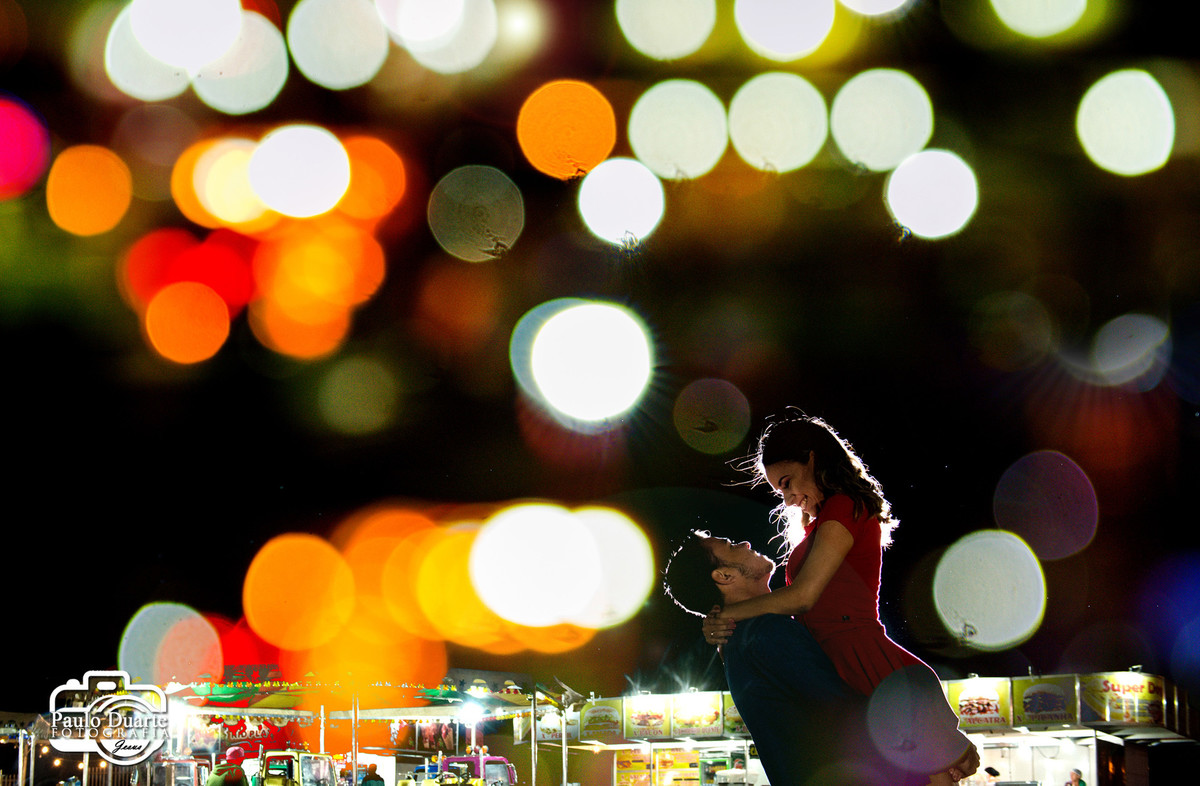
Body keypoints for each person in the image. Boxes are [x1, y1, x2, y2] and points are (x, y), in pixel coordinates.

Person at [702, 412, 978, 784]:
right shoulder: (820, 522)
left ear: (812, 459)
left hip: (864, 658)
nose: (787, 498)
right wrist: (723, 624)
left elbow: (803, 597)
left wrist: (728, 615)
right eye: (779, 491)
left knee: (932, 776)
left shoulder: (843, 505)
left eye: (787, 482)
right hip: (850, 658)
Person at [663, 531, 874, 785]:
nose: (745, 542)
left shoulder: (738, 640)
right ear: (724, 576)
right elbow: (846, 711)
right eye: (731, 545)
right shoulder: (766, 632)